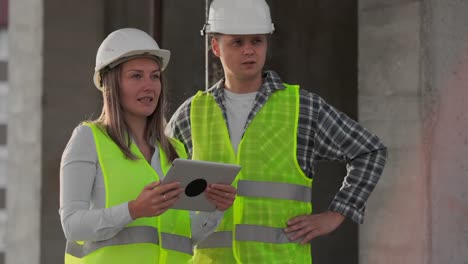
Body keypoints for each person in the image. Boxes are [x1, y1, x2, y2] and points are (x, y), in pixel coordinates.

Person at [166, 0, 388, 263]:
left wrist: (336, 214)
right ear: (216, 46)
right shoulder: (191, 114)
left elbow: (370, 151)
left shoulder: (302, 108)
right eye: (237, 42)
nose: (249, 50)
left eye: (257, 41)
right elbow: (163, 190)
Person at [59, 28, 236, 264]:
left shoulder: (175, 150)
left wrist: (214, 209)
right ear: (111, 83)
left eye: (154, 76)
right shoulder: (88, 139)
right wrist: (133, 210)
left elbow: (182, 236)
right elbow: (72, 226)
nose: (149, 86)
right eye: (136, 76)